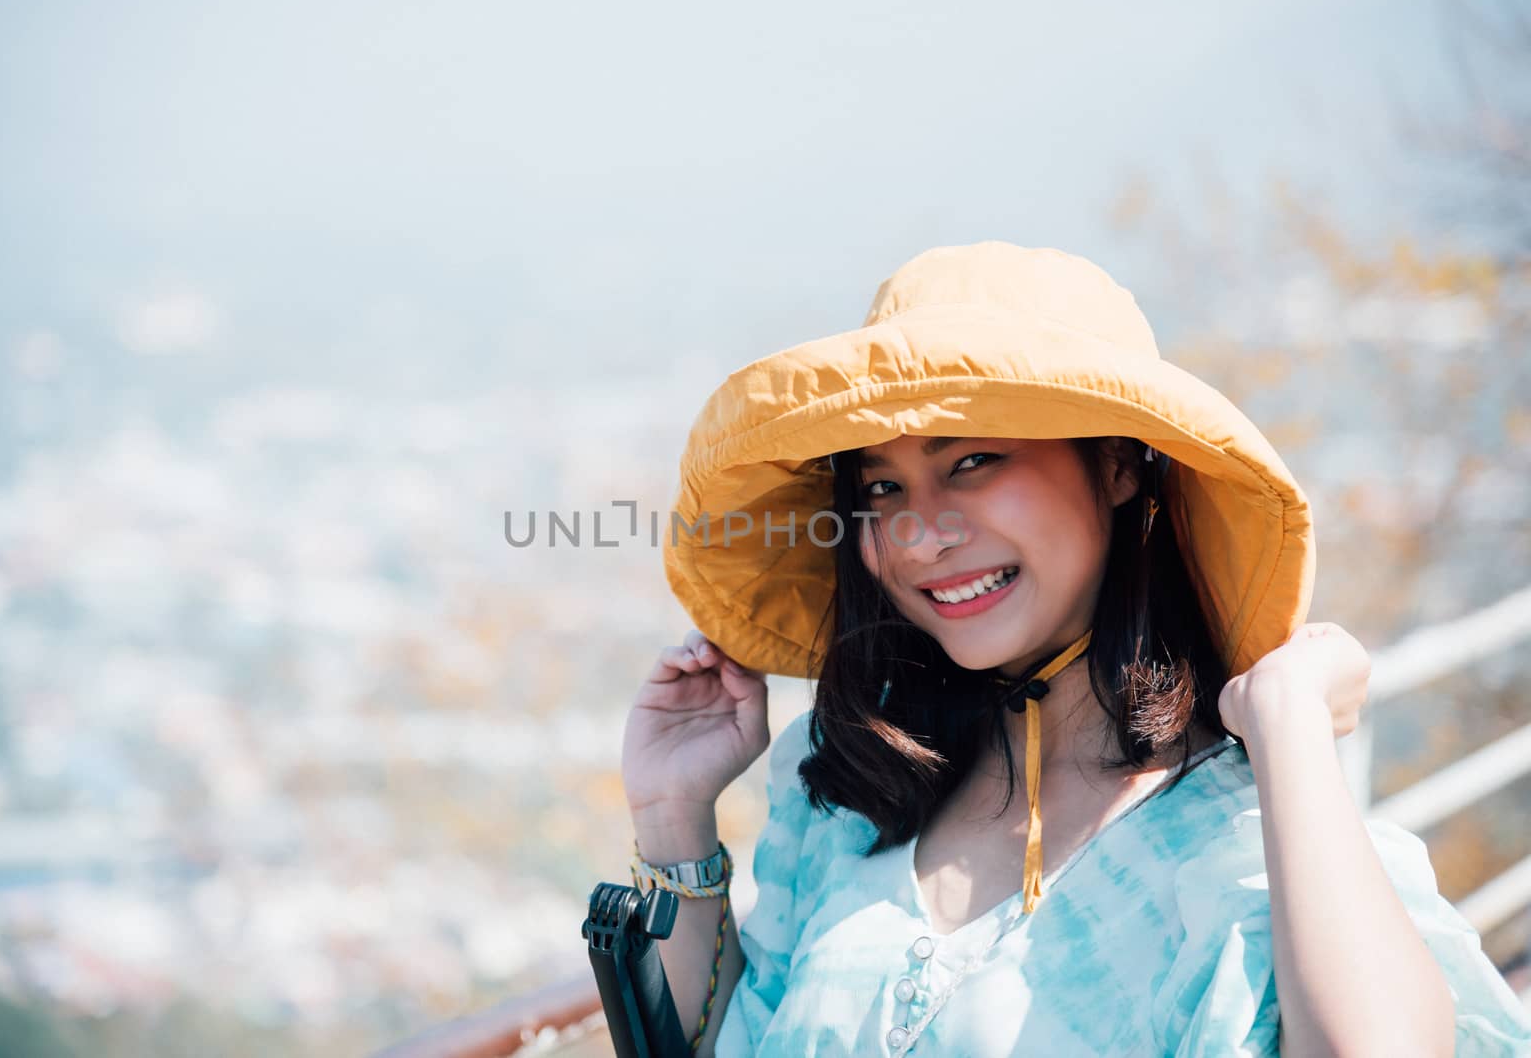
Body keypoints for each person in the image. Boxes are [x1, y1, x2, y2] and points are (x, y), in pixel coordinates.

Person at [622, 242, 1531, 1056]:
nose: (920, 536)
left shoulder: (1247, 827)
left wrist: (1288, 722)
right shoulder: (850, 793)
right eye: (882, 487)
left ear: (1120, 463)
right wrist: (672, 819)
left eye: (973, 462)